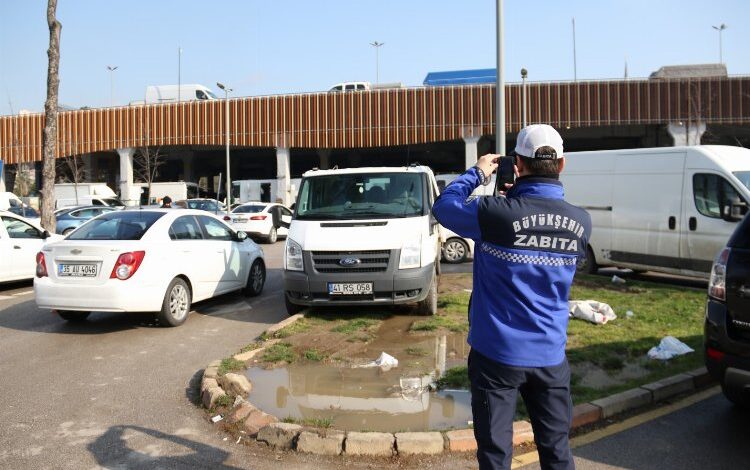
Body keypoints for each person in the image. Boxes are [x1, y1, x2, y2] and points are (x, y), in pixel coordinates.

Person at [433, 124, 591, 470]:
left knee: (495, 455)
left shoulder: (495, 214)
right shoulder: (581, 223)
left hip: (496, 356)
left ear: (517, 163)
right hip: (550, 356)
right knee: (557, 452)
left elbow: (444, 207)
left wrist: (477, 173)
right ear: (562, 165)